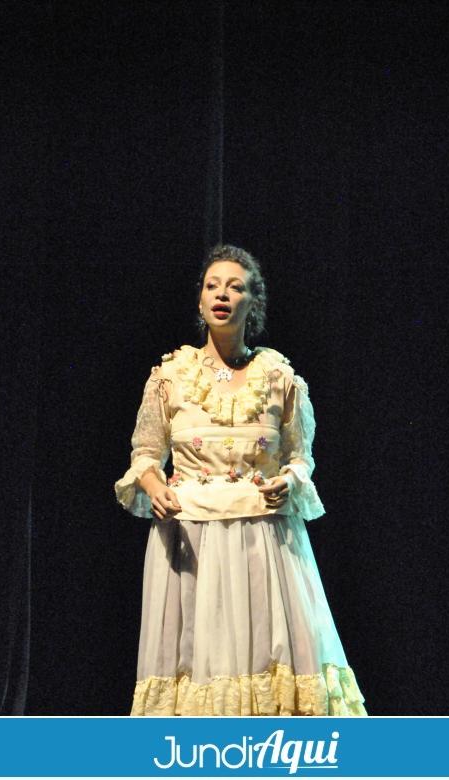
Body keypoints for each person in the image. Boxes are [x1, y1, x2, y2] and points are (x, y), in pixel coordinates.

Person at [115, 244, 366, 716]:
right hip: (191, 539)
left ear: (253, 302)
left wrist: (289, 481)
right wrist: (153, 486)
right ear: (200, 301)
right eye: (213, 286)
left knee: (274, 663)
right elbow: (145, 454)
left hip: (265, 541)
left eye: (235, 287)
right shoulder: (170, 377)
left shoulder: (278, 377)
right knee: (198, 665)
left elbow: (300, 457)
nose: (222, 294)